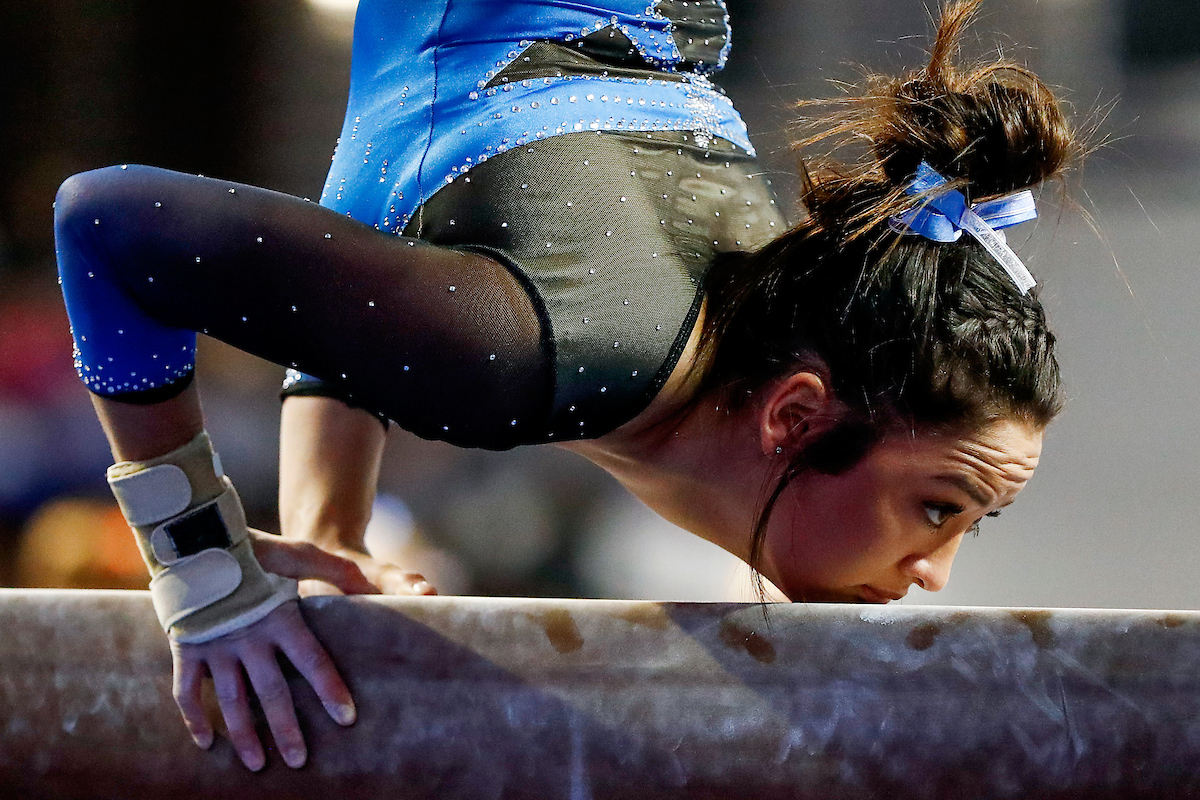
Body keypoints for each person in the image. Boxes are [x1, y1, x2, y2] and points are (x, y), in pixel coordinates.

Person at [52, 0, 1077, 773]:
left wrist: (335, 535)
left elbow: (377, 267)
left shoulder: (750, 302)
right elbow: (109, 225)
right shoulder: (532, 362)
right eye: (939, 507)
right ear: (795, 415)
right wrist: (200, 566)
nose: (934, 572)